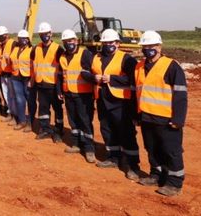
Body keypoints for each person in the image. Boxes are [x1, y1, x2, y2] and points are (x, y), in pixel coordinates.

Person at [135, 31, 187, 197]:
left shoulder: (171, 66)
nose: (149, 49)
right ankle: (156, 175)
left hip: (166, 118)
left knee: (171, 150)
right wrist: (137, 114)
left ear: (159, 46)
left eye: (152, 46)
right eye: (146, 46)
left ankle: (174, 182)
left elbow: (180, 94)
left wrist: (178, 118)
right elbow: (137, 92)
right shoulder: (139, 66)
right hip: (146, 116)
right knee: (152, 148)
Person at [92, 28, 140, 180]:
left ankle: (132, 165)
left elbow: (134, 80)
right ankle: (113, 157)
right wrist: (94, 78)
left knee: (126, 133)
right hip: (102, 99)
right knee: (107, 129)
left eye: (111, 42)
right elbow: (87, 72)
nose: (108, 45)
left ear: (118, 43)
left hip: (121, 102)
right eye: (105, 42)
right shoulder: (97, 57)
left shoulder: (127, 59)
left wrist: (111, 79)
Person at [57, 29, 96, 163]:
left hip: (83, 95)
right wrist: (59, 90)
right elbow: (60, 75)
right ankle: (76, 144)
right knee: (73, 120)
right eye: (66, 41)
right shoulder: (62, 56)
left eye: (71, 40)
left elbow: (93, 73)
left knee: (85, 121)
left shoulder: (85, 54)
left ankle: (89, 149)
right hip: (69, 93)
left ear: (76, 41)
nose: (69, 43)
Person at [31, 22, 65, 143]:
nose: (44, 35)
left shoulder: (58, 49)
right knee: (43, 109)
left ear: (51, 33)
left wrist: (61, 87)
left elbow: (63, 68)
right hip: (41, 84)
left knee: (57, 109)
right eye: (42, 34)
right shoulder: (36, 48)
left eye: (47, 33)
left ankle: (58, 131)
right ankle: (45, 129)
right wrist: (33, 81)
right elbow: (33, 65)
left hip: (54, 85)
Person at [9, 30, 32, 130]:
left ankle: (30, 122)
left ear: (28, 39)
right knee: (19, 100)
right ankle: (22, 121)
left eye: (25, 38)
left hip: (27, 77)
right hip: (16, 76)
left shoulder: (32, 49)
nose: (23, 40)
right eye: (21, 38)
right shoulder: (15, 48)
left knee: (30, 100)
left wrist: (32, 79)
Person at [0, 26, 17, 124]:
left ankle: (15, 116)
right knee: (6, 96)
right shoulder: (1, 46)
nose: (1, 38)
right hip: (3, 74)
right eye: (0, 36)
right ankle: (10, 113)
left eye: (3, 36)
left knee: (13, 96)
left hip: (11, 74)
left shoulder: (13, 43)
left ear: (7, 35)